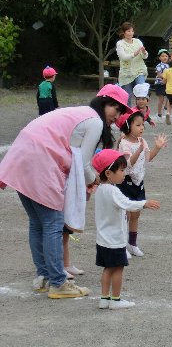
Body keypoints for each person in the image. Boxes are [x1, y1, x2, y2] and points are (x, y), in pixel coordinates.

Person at [0, 84, 132, 299]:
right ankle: (58, 282)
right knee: (52, 223)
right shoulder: (94, 121)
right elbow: (84, 162)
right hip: (41, 159)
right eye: (115, 109)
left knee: (38, 223)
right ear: (104, 103)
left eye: (119, 112)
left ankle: (43, 276)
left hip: (22, 155)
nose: (116, 116)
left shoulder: (80, 113)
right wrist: (96, 179)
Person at [92, 149, 160, 309]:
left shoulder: (100, 189)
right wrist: (144, 203)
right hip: (115, 240)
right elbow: (127, 203)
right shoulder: (113, 191)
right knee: (118, 269)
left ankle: (104, 299)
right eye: (122, 170)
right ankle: (115, 300)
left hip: (102, 239)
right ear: (108, 173)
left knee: (107, 268)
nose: (124, 173)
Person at [115, 110, 168, 257]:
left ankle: (132, 244)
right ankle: (121, 246)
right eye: (138, 125)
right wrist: (138, 151)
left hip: (139, 183)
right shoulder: (124, 143)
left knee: (135, 214)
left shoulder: (142, 141)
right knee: (124, 215)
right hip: (125, 183)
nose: (142, 128)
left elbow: (147, 159)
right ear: (128, 126)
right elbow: (128, 164)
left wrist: (157, 147)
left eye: (142, 124)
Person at [116, 22, 149, 106]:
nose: (131, 33)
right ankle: (128, 116)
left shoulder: (138, 41)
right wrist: (134, 54)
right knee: (127, 96)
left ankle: (142, 114)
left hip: (139, 70)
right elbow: (123, 57)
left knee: (142, 91)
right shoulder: (120, 43)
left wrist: (144, 52)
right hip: (127, 72)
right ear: (124, 32)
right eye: (128, 31)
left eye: (132, 31)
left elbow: (145, 57)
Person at [154, 49, 170, 118]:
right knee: (161, 99)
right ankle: (159, 113)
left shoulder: (169, 66)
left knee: (170, 96)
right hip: (159, 84)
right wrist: (167, 77)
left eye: (166, 56)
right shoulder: (159, 66)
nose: (164, 57)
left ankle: (166, 107)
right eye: (162, 56)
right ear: (159, 57)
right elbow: (159, 75)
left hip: (168, 83)